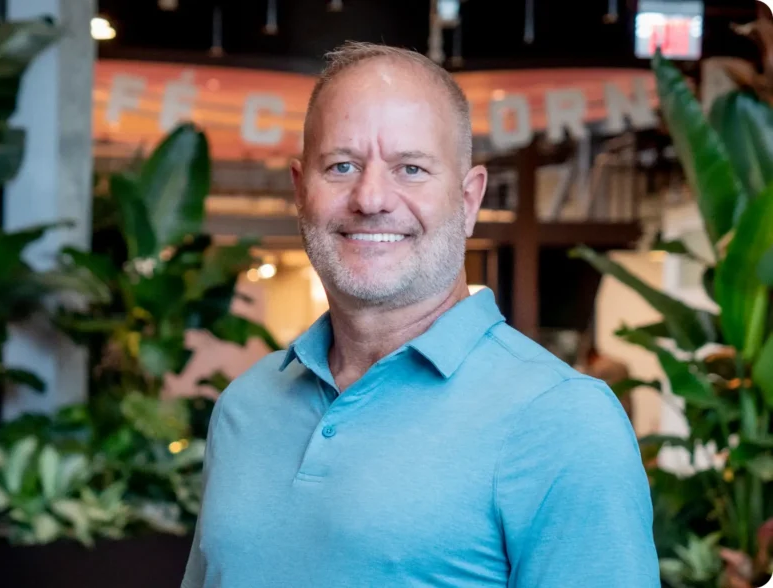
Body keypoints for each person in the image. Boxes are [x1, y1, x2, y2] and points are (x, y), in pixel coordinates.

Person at [181, 42, 658, 588]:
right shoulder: (247, 405)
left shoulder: (562, 420)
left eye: (410, 168)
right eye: (341, 166)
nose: (371, 198)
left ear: (470, 199)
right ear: (300, 192)